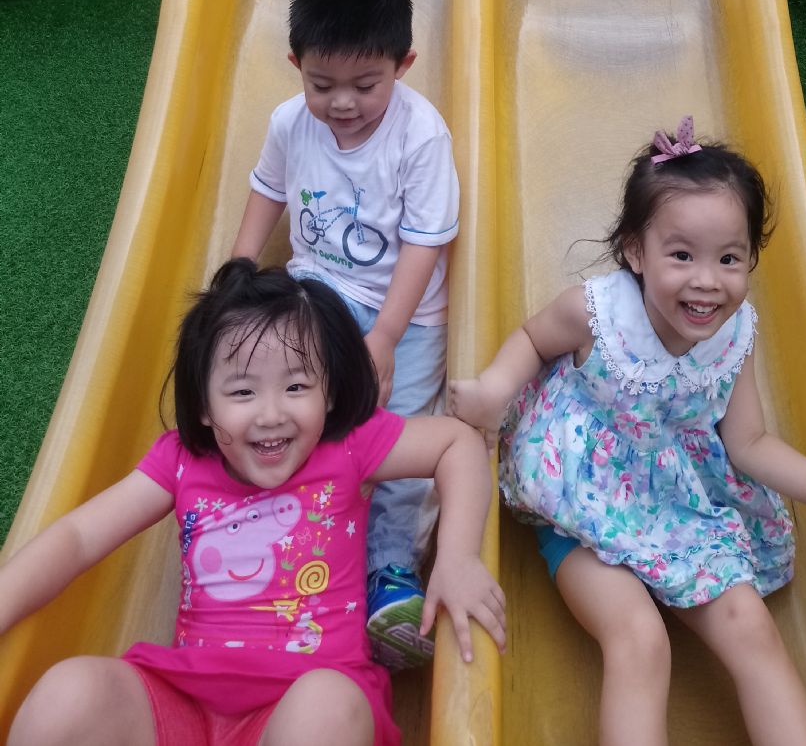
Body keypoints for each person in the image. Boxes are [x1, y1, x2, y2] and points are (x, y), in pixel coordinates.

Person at [449, 117, 806, 746]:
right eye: (681, 255)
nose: (707, 280)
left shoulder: (735, 335)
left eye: (729, 259)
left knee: (751, 626)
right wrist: (494, 389)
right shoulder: (597, 315)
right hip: (579, 503)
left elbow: (749, 443)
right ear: (635, 251)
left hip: (676, 503)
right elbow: (531, 339)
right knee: (640, 639)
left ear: (751, 258)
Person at [0, 261, 505, 746]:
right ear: (204, 405)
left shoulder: (347, 447)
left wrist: (458, 557)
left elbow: (456, 444)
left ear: (329, 393)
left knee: (327, 707)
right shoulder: (180, 462)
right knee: (68, 696)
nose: (270, 414)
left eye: (296, 386)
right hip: (184, 699)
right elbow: (79, 537)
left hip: (299, 706)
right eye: (242, 392)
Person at [231, 0, 459, 668]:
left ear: (403, 65)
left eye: (366, 84)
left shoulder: (421, 136)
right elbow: (268, 191)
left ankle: (389, 570)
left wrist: (385, 336)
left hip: (406, 316)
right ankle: (292, 546)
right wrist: (238, 268)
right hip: (317, 294)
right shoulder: (289, 122)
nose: (342, 103)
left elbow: (425, 242)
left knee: (399, 438)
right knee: (291, 411)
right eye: (321, 84)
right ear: (296, 65)